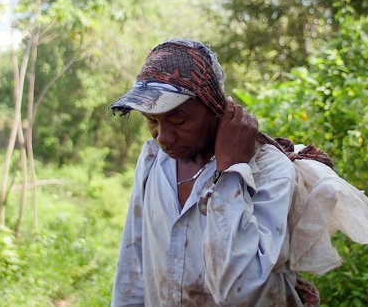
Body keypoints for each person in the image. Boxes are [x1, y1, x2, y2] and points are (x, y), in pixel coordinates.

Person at [109, 39, 318, 306]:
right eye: (152, 120)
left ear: (214, 107)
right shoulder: (153, 161)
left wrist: (230, 172)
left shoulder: (268, 171)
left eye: (179, 120)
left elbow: (242, 290)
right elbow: (133, 260)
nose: (163, 136)